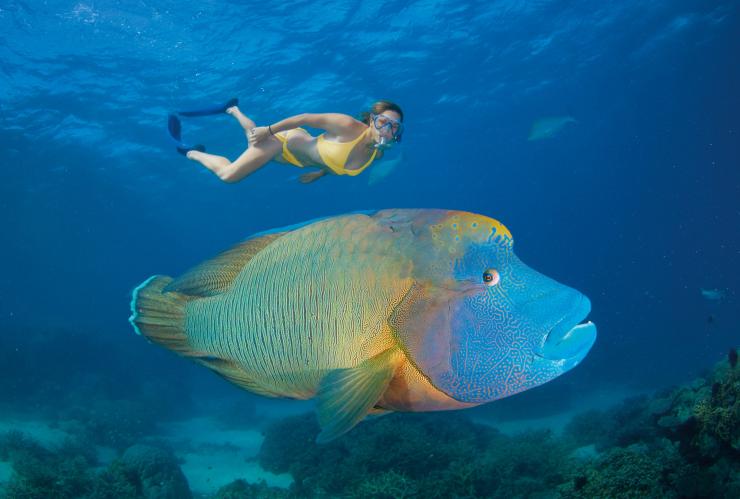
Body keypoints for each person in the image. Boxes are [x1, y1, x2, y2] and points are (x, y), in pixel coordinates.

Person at [176, 100, 404, 184]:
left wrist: (319, 174)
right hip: (282, 142)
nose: (388, 129)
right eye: (384, 121)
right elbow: (305, 118)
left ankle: (233, 109)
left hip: (289, 159)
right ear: (372, 120)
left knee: (252, 138)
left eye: (394, 126)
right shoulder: (347, 125)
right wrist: (270, 130)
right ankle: (191, 152)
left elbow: (337, 162)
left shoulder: (377, 154)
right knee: (228, 176)